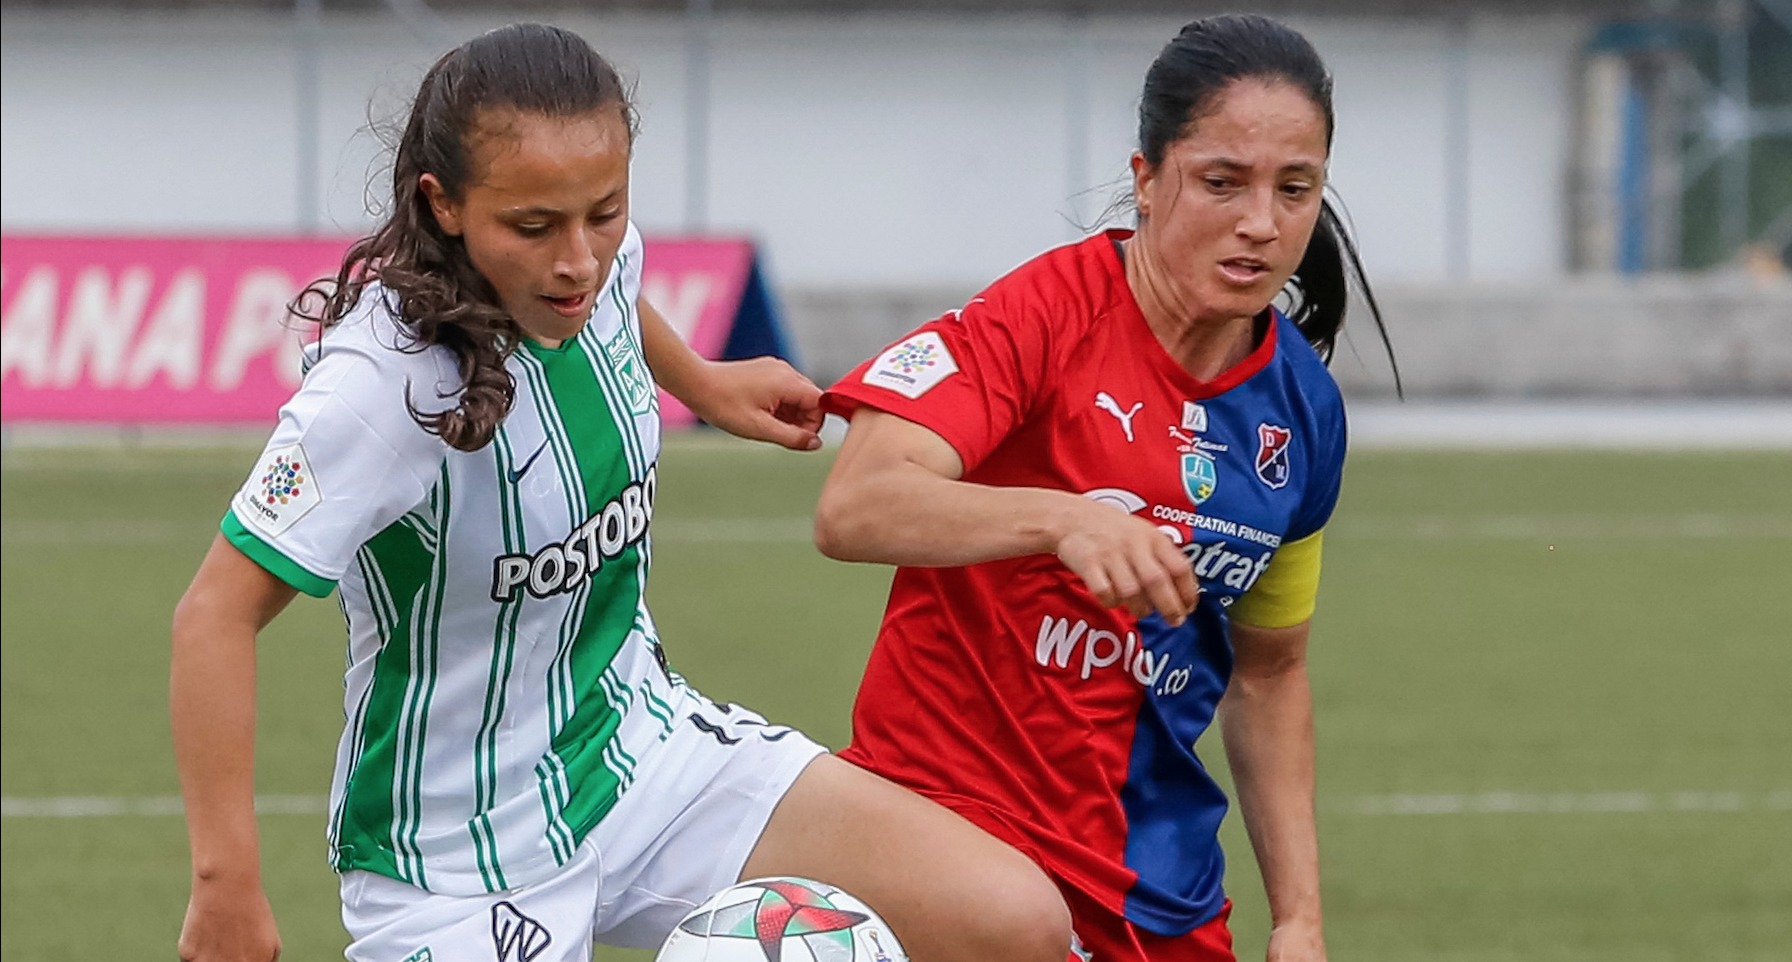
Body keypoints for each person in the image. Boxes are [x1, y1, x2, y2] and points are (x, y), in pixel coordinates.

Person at [170, 23, 1070, 962]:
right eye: (533, 227)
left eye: (604, 211)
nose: (579, 260)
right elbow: (212, 617)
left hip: (647, 753)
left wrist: (705, 382)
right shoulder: (374, 388)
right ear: (443, 205)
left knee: (1015, 924)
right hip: (458, 860)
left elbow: (616, 285)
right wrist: (225, 887)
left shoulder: (593, 261)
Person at [813, 14, 1392, 962]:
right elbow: (856, 503)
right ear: (1147, 178)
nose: (1262, 222)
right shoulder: (1047, 313)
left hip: (1155, 895)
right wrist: (1061, 520)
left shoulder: (1305, 410)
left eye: (1296, 190)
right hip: (948, 849)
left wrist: (1300, 921)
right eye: (1221, 182)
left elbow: (1272, 671)